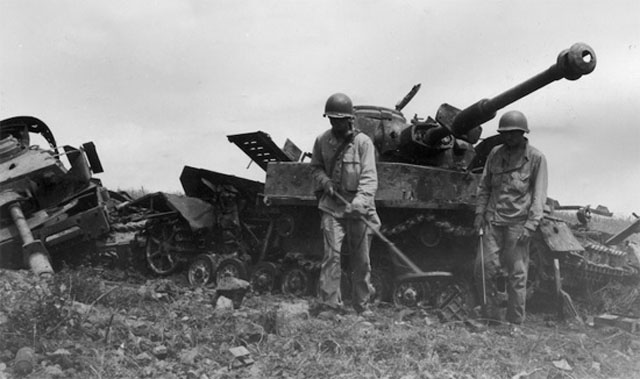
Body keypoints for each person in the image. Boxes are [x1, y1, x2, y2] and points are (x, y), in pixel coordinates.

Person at [474, 110, 548, 325]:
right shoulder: (496, 153)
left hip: (518, 224)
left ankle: (515, 322)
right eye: (505, 134)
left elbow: (539, 195)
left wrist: (531, 226)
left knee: (517, 275)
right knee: (483, 268)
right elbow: (484, 186)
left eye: (513, 134)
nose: (508, 138)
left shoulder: (536, 158)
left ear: (522, 133)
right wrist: (479, 213)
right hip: (492, 221)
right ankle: (490, 316)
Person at [310, 92, 380, 317]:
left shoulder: (363, 143)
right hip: (332, 207)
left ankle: (362, 304)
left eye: (339, 119)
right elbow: (316, 168)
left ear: (349, 119)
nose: (334, 123)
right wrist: (325, 181)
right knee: (331, 257)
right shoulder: (322, 141)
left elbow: (369, 178)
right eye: (331, 119)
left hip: (359, 211)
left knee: (362, 260)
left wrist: (359, 203)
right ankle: (330, 305)